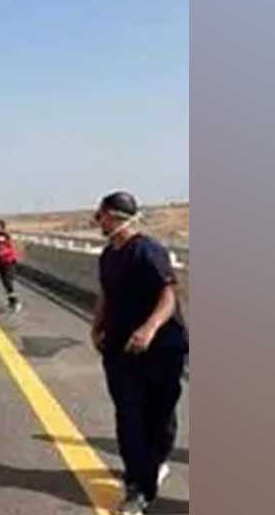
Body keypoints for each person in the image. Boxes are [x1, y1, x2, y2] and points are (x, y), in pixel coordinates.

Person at [89, 191, 188, 515]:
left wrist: (149, 329)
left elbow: (168, 295)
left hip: (161, 349)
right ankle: (139, 487)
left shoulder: (147, 251)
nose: (97, 222)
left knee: (159, 417)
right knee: (129, 417)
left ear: (114, 216)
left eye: (100, 215)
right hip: (121, 350)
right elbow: (106, 293)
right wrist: (97, 325)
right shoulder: (108, 255)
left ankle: (154, 462)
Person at [0, 219, 21, 313]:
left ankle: (16, 302)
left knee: (7, 281)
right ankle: (12, 302)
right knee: (5, 283)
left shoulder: (4, 235)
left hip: (9, 262)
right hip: (0, 263)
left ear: (1, 227)